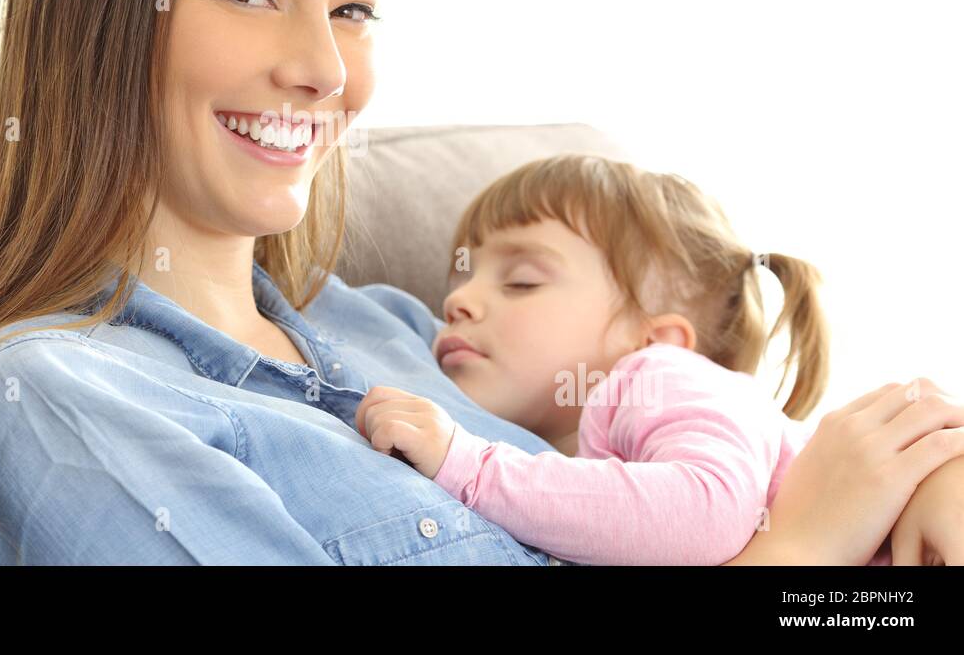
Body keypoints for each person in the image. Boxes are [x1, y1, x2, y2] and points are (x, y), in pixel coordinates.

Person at [0, 0, 964, 564]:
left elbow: (696, 460)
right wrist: (800, 551)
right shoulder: (53, 398)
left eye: (352, 9)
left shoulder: (403, 331)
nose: (324, 68)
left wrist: (916, 487)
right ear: (101, 23)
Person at [356, 154, 962, 564]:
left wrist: (475, 468)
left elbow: (710, 508)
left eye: (521, 281)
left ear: (655, 339)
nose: (457, 301)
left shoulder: (659, 376)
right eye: (460, 278)